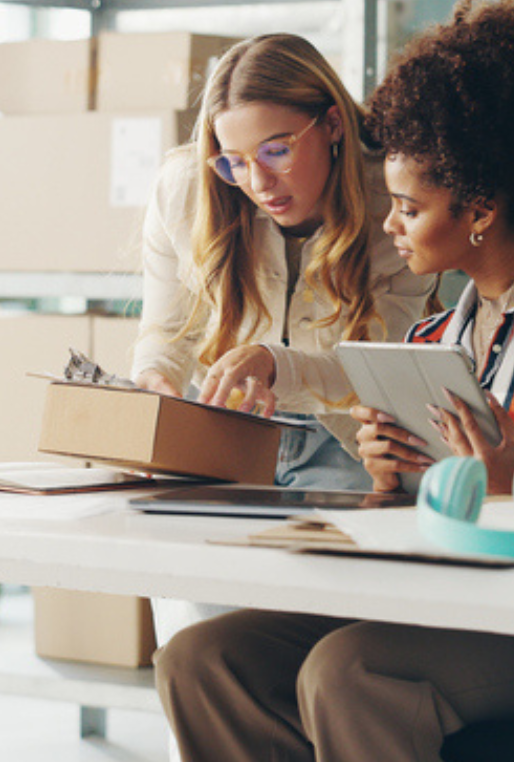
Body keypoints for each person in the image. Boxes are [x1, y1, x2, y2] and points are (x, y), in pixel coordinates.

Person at [152, 0, 514, 762]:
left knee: (350, 672)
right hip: (451, 600)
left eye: (407, 207)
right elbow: (427, 513)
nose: (390, 227)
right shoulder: (435, 341)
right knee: (204, 658)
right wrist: (390, 478)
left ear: (477, 210)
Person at [130, 33, 437, 492]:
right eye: (234, 162)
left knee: (335, 555)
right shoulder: (185, 189)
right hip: (222, 422)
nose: (257, 182)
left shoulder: (395, 205)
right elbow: (165, 332)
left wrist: (274, 364)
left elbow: (376, 371)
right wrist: (155, 381)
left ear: (332, 124)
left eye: (277, 151)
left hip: (347, 440)